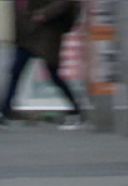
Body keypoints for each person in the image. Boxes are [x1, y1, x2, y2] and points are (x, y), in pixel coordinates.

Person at [1, 0, 82, 128]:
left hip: (46, 33)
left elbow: (66, 3)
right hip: (26, 37)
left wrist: (44, 14)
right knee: (16, 72)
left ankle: (76, 109)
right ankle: (5, 111)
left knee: (53, 74)